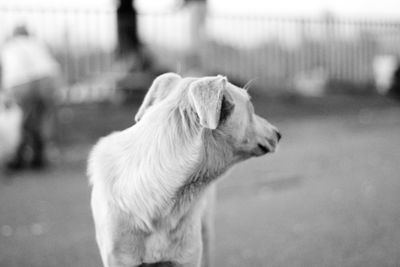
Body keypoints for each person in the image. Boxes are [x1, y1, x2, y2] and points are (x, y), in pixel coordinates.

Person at [1, 25, 61, 169]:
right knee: (43, 120)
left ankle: (18, 157)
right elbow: (51, 64)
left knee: (24, 120)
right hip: (46, 79)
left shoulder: (9, 45)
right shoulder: (37, 43)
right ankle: (40, 157)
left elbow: (5, 68)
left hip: (20, 81)